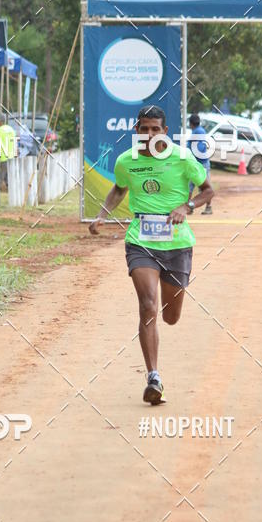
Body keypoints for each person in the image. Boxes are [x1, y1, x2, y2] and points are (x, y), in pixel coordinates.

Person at [89, 104, 214, 404]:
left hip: (177, 244)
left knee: (170, 316)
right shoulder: (126, 161)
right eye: (143, 128)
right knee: (148, 305)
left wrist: (187, 207)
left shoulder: (182, 158)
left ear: (165, 132)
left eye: (155, 129)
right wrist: (102, 214)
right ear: (136, 130)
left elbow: (208, 190)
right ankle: (153, 377)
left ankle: (157, 361)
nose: (149, 134)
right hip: (140, 240)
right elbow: (119, 189)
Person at [187, 112, 212, 215]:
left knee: (201, 186)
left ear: (191, 123)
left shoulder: (198, 132)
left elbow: (200, 148)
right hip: (199, 163)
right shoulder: (199, 131)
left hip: (200, 163)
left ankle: (207, 207)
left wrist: (192, 156)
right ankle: (189, 207)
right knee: (191, 186)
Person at [0, 112, 17, 189]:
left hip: (3, 157)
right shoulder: (11, 129)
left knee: (0, 176)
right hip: (12, 156)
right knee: (9, 175)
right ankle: (10, 188)